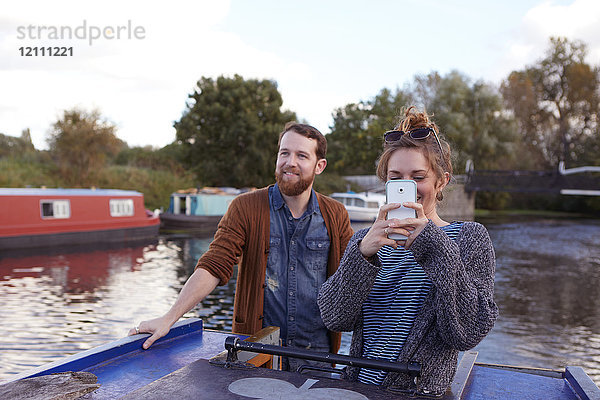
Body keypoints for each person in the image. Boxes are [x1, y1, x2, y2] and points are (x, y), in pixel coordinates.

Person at [130, 122, 353, 371]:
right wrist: (169, 318)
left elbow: (351, 280)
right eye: (284, 153)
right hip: (256, 350)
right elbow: (215, 265)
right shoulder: (245, 207)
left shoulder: (336, 214)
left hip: (318, 355)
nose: (290, 162)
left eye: (302, 155)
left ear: (319, 165)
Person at [318, 106, 498, 395]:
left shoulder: (469, 237)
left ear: (441, 181)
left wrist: (433, 243)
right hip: (356, 391)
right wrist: (362, 255)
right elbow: (334, 318)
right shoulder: (365, 239)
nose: (408, 187)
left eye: (418, 177)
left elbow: (468, 330)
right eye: (396, 177)